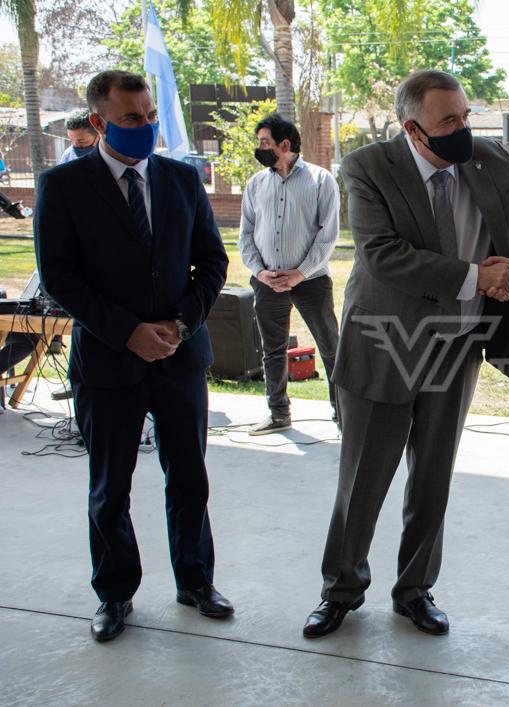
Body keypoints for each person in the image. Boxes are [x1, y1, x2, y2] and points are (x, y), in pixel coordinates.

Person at [301, 69, 509, 639]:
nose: (463, 129)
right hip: (387, 346)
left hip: (458, 349)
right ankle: (341, 590)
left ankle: (415, 590)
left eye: (465, 115)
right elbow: (383, 256)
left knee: (433, 478)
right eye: (448, 121)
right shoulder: (368, 168)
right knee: (363, 480)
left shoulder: (486, 159)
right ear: (413, 128)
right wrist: (475, 276)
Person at [34, 70, 232, 642]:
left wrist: (178, 322)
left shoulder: (180, 178)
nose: (145, 127)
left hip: (179, 356)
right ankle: (114, 594)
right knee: (109, 485)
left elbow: (211, 263)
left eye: (149, 117)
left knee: (189, 477)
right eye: (130, 119)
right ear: (98, 123)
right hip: (108, 362)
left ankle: (196, 580)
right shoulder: (63, 187)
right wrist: (129, 333)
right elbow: (60, 278)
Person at [238, 113, 341, 434]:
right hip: (267, 283)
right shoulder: (256, 184)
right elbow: (246, 235)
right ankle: (278, 412)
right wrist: (260, 272)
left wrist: (300, 272)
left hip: (311, 282)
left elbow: (328, 235)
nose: (260, 149)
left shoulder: (321, 180)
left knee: (330, 347)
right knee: (272, 350)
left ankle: (344, 414)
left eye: (265, 143)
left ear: (285, 144)